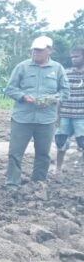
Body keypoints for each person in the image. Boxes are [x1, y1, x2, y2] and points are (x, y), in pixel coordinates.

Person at [4, 36, 69, 189]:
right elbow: (10, 88)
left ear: (49, 50)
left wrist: (53, 99)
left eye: (40, 50)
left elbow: (65, 91)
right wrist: (23, 96)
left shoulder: (58, 69)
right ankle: (12, 183)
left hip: (46, 120)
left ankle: (38, 182)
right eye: (34, 50)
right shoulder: (22, 67)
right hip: (22, 118)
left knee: (43, 154)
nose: (36, 52)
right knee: (15, 152)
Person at [55, 45, 84, 173]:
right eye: (72, 57)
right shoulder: (65, 73)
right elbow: (59, 95)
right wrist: (57, 114)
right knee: (61, 142)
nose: (73, 59)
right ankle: (58, 168)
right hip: (65, 113)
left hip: (82, 115)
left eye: (76, 56)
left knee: (82, 143)